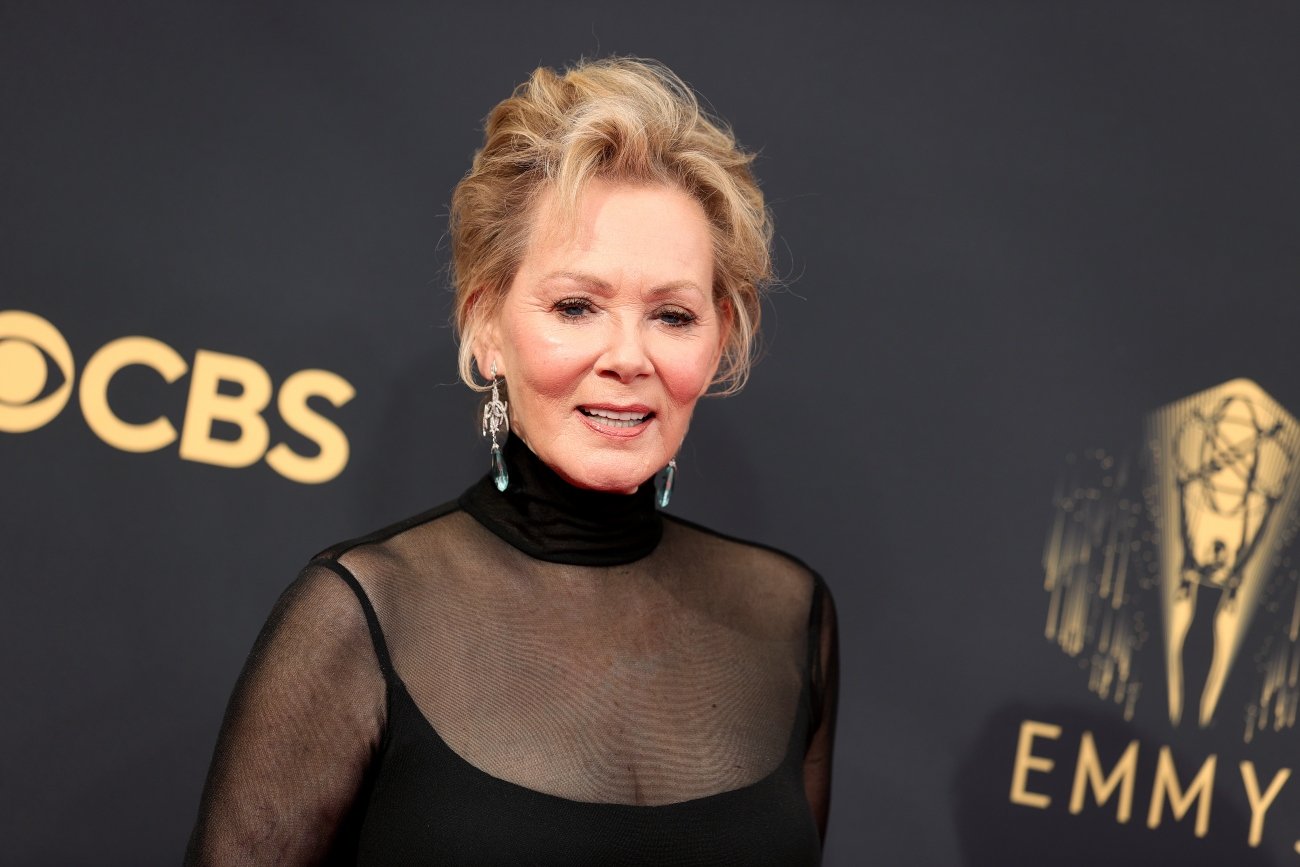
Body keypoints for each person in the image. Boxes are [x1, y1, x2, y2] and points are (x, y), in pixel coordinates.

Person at [185, 56, 839, 865]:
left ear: (720, 340)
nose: (627, 356)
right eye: (576, 305)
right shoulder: (363, 615)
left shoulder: (789, 615)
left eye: (672, 315)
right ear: (486, 327)